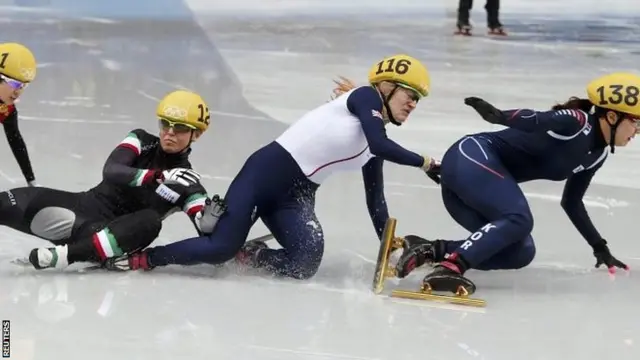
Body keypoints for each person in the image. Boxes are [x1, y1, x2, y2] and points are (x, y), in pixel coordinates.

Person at [107, 54, 441, 279]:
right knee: (219, 248)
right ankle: (145, 258)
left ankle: (249, 255)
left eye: (418, 100)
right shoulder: (365, 96)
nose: (413, 104)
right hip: (264, 174)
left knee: (304, 263)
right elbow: (384, 145)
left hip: (296, 194)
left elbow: (375, 199)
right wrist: (426, 162)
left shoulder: (376, 137)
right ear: (386, 86)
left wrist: (388, 248)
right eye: (409, 94)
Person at [394, 72, 638, 295]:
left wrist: (600, 247)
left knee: (520, 252)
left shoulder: (599, 154)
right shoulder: (578, 121)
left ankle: (428, 249)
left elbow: (572, 202)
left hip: (473, 185)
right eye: (635, 121)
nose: (637, 131)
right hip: (469, 156)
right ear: (613, 116)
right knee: (519, 218)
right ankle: (452, 267)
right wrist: (500, 116)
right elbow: (537, 119)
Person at [1, 89, 226, 270]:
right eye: (164, 124)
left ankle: (65, 256)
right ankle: (71, 253)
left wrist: (207, 225)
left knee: (150, 221)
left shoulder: (188, 184)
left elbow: (209, 235)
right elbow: (112, 171)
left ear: (196, 134)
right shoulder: (141, 139)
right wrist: (157, 176)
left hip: (109, 234)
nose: (169, 132)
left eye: (179, 128)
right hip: (80, 207)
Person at [0, 42, 39, 187]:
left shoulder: (5, 109)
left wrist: (31, 181)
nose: (18, 92)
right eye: (15, 84)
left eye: (23, 85)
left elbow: (15, 141)